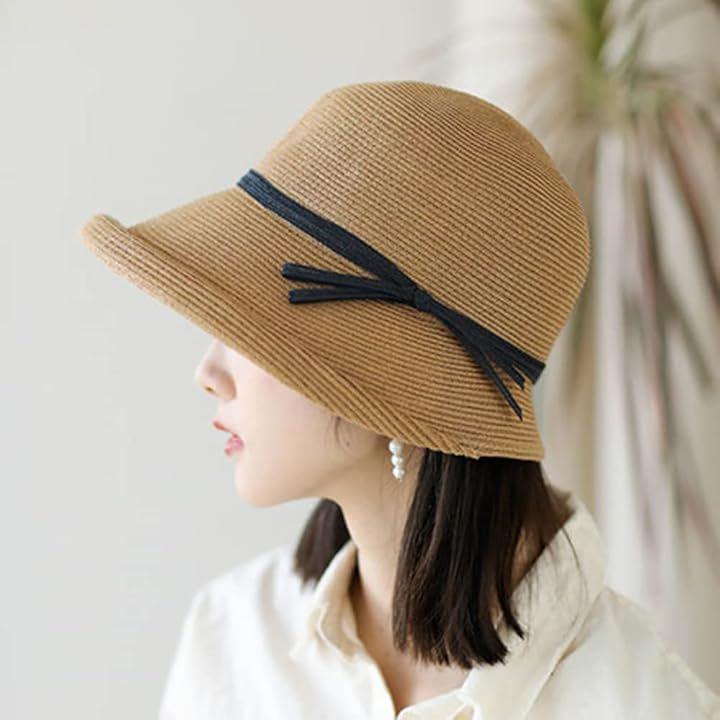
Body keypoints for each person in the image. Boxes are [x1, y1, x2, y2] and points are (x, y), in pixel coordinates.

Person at [78, 80, 720, 719]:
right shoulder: (233, 638)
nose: (208, 372)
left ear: (393, 384)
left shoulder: (641, 705)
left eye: (248, 328)